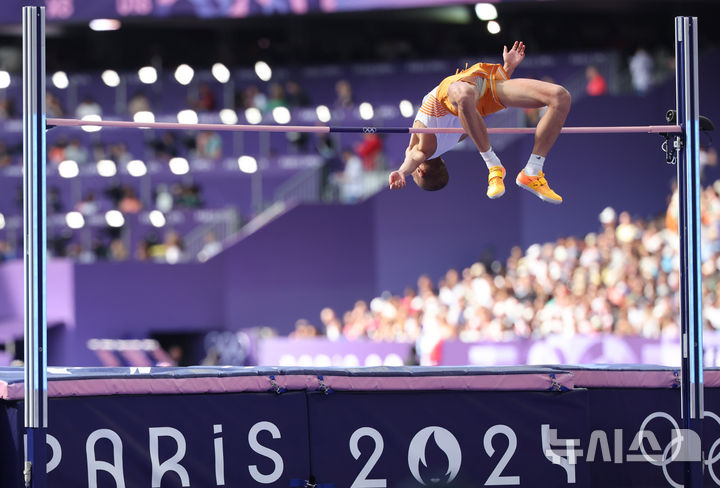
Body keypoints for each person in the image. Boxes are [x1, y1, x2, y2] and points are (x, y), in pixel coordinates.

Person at [388, 42, 570, 204]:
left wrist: (507, 68)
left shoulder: (458, 136)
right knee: (463, 93)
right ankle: (494, 166)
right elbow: (414, 157)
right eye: (413, 174)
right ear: (420, 171)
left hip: (478, 91)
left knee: (560, 97)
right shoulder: (424, 146)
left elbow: (475, 104)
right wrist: (402, 172)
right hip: (465, 93)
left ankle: (533, 169)